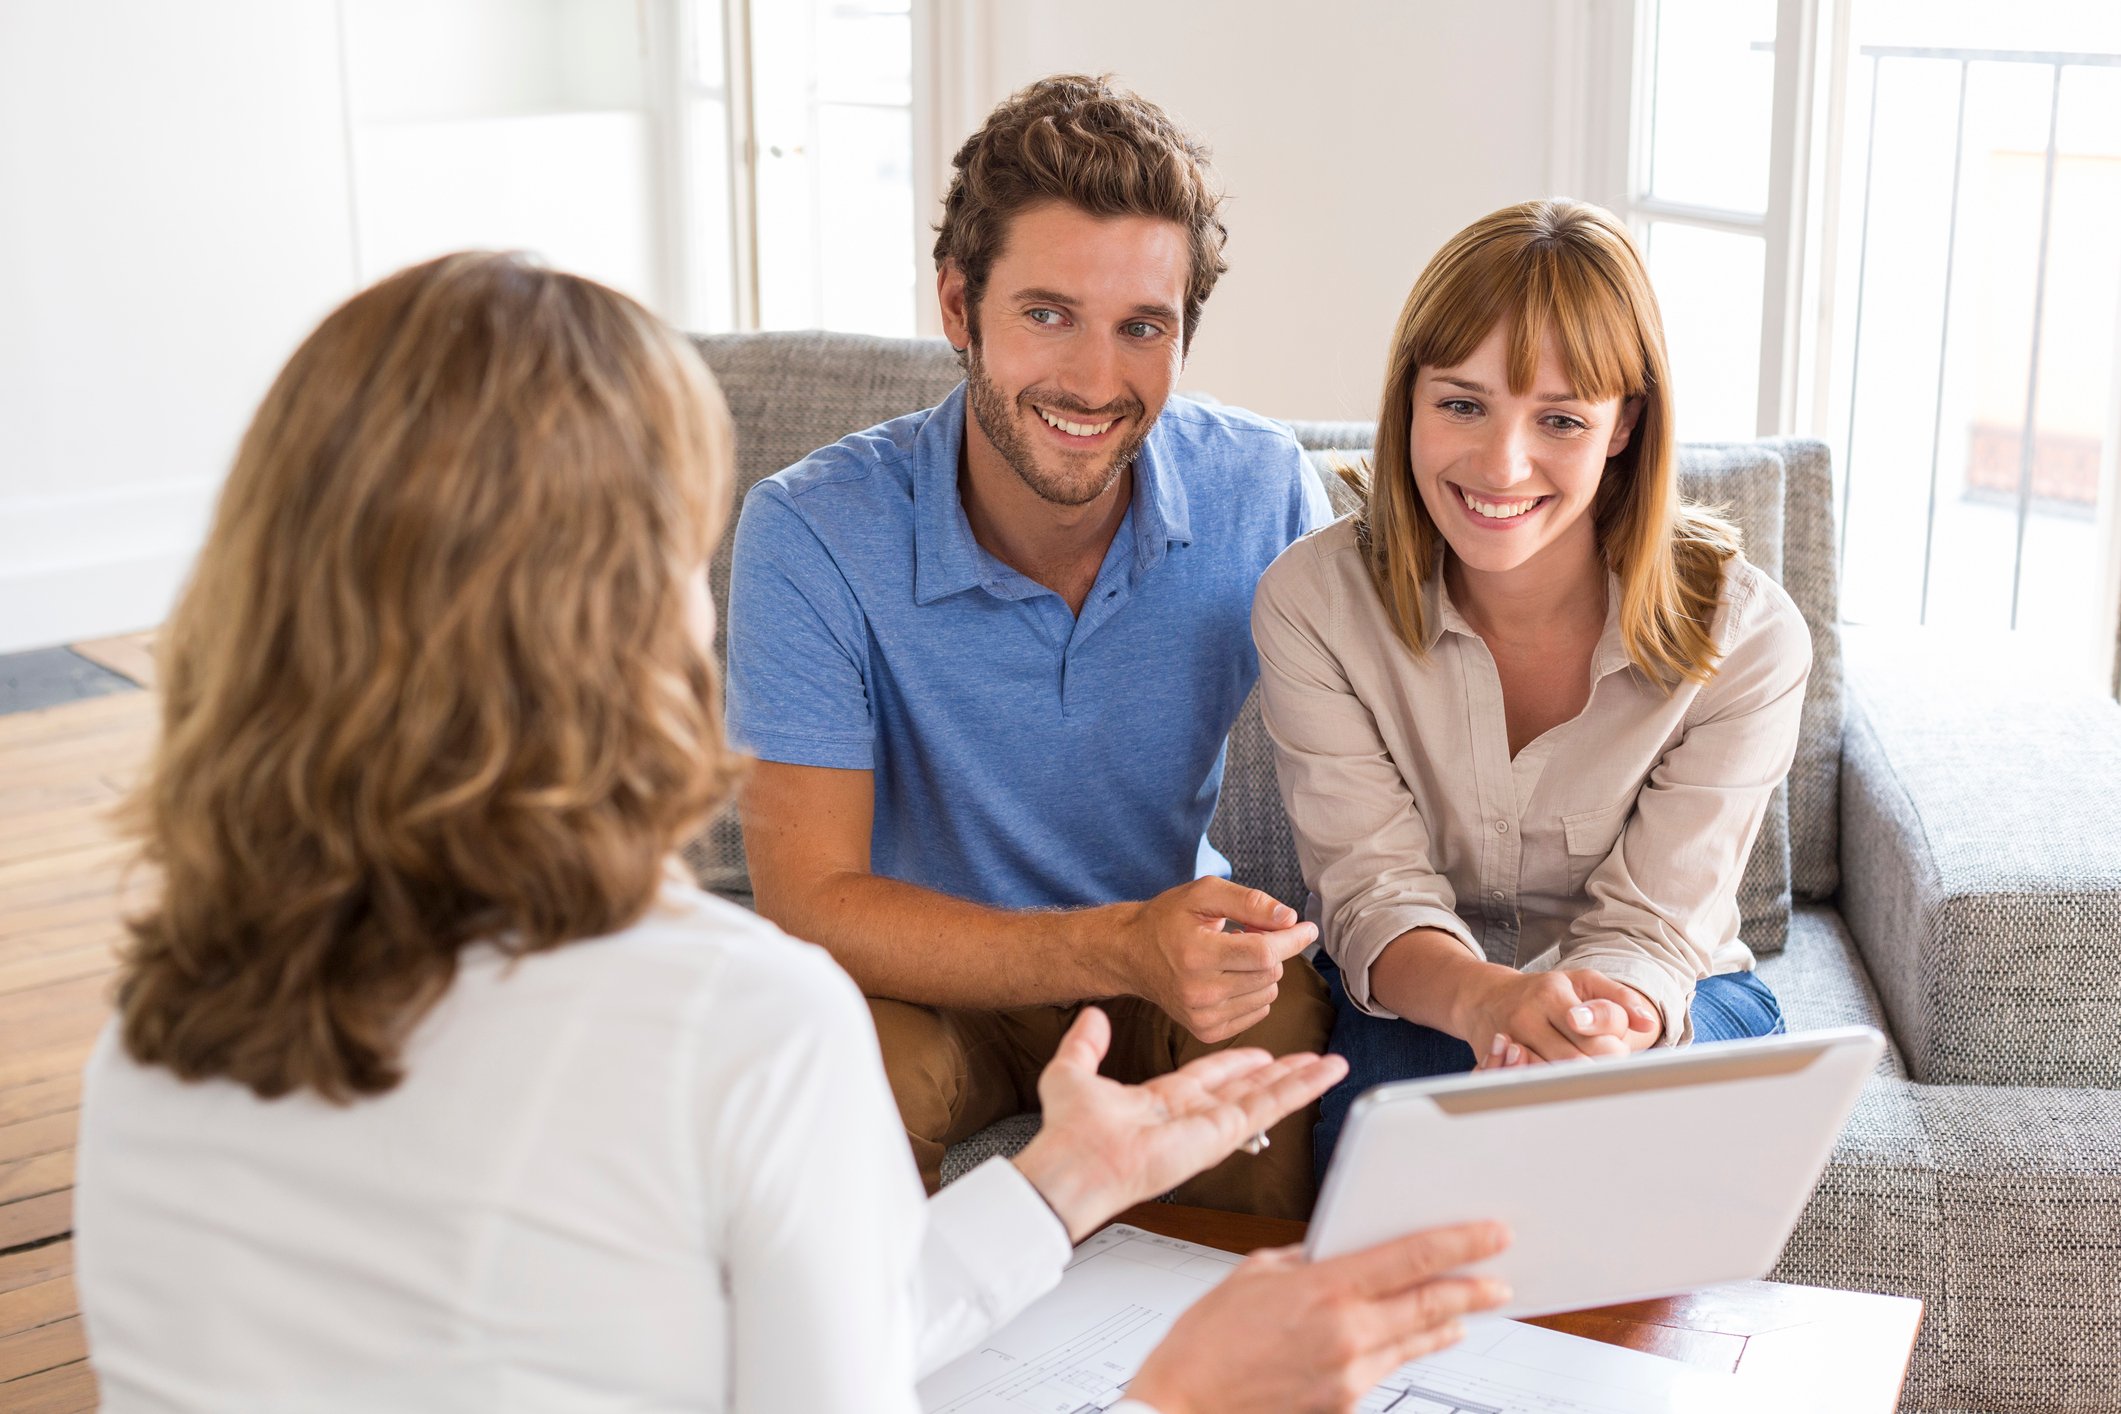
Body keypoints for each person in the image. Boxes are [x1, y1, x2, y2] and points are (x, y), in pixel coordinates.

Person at [71, 252, 1509, 1413]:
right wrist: (1190, 1398)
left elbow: (799, 1338)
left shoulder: (157, 1028)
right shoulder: (740, 1023)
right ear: (625, 613)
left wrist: (1061, 1182)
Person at [728, 74, 1334, 1219]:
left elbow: (1395, 735)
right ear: (959, 307)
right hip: (924, 983)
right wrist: (1120, 945)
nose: (1095, 382)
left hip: (1166, 968)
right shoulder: (811, 530)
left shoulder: (1260, 488)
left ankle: (1190, 1378)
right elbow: (808, 902)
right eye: (1047, 314)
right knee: (836, 1056)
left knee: (1286, 1018)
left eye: (1141, 328)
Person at [1250, 200, 1808, 1176]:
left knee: (1615, 1144)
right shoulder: (1313, 602)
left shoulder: (1747, 638)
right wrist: (1490, 1004)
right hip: (1428, 992)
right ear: (1409, 401)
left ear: (1624, 423)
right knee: (1402, 1137)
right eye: (1462, 403)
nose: (1502, 465)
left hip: (1660, 997)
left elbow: (1654, 929)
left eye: (1558, 419)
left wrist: (1587, 1029)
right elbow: (1375, 892)